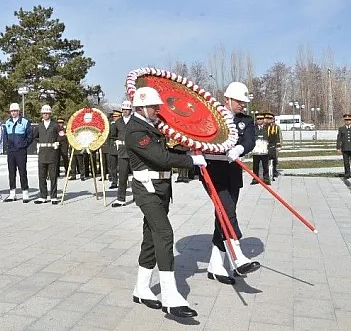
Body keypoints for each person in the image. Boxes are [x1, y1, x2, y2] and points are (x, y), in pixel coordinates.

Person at [126, 87, 205, 318]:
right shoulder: (134, 131)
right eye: (153, 106)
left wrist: (187, 147)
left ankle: (141, 288)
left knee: (151, 238)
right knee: (164, 234)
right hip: (147, 190)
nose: (157, 109)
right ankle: (170, 296)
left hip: (161, 189)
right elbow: (160, 157)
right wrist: (190, 161)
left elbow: (166, 149)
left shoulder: (150, 126)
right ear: (141, 107)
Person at [202, 82, 260, 286]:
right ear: (227, 99)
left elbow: (250, 141)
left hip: (233, 171)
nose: (242, 105)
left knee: (223, 214)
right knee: (226, 211)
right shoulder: (212, 115)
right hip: (212, 170)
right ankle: (238, 257)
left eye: (244, 102)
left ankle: (215, 266)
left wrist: (239, 149)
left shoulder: (246, 120)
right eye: (239, 101)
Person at [3, 103, 34, 202]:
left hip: (21, 151)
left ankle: (25, 192)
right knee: (11, 173)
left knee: (22, 172)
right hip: (11, 151)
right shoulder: (7, 122)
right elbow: (6, 137)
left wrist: (23, 145)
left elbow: (30, 136)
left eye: (15, 111)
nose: (13, 113)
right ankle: (12, 193)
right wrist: (8, 146)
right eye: (12, 111)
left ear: (18, 111)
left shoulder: (25, 122)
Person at [33, 105, 62, 204]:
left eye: (47, 113)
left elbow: (61, 135)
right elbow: (35, 136)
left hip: (52, 153)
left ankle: (53, 196)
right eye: (44, 113)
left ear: (50, 114)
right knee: (42, 176)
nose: (45, 115)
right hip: (42, 153)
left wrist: (57, 142)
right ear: (42, 114)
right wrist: (41, 142)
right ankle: (43, 196)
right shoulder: (39, 126)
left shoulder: (55, 125)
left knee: (53, 176)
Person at [109, 100, 133, 207]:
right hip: (122, 151)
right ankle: (121, 199)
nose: (125, 111)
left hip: (134, 152)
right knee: (122, 176)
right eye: (124, 109)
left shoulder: (135, 121)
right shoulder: (118, 122)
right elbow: (112, 135)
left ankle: (139, 197)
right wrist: (116, 141)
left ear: (130, 110)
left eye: (127, 109)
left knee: (137, 176)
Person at [250, 112, 271, 185]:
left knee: (265, 165)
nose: (259, 120)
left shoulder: (268, 127)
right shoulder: (253, 127)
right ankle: (255, 178)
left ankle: (266, 179)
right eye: (258, 119)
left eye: (261, 119)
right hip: (256, 149)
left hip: (265, 149)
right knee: (255, 166)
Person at [265, 113, 281, 179]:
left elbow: (279, 136)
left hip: (274, 145)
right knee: (265, 159)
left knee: (274, 158)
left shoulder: (276, 127)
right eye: (268, 119)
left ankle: (274, 171)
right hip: (265, 144)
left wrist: (279, 145)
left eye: (271, 119)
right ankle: (266, 172)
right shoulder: (264, 126)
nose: (269, 120)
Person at [107, 110, 121, 188]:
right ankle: (114, 181)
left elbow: (112, 133)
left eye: (116, 117)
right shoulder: (112, 124)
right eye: (114, 117)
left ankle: (121, 181)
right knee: (113, 166)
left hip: (120, 146)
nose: (114, 118)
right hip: (112, 146)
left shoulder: (120, 124)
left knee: (121, 166)